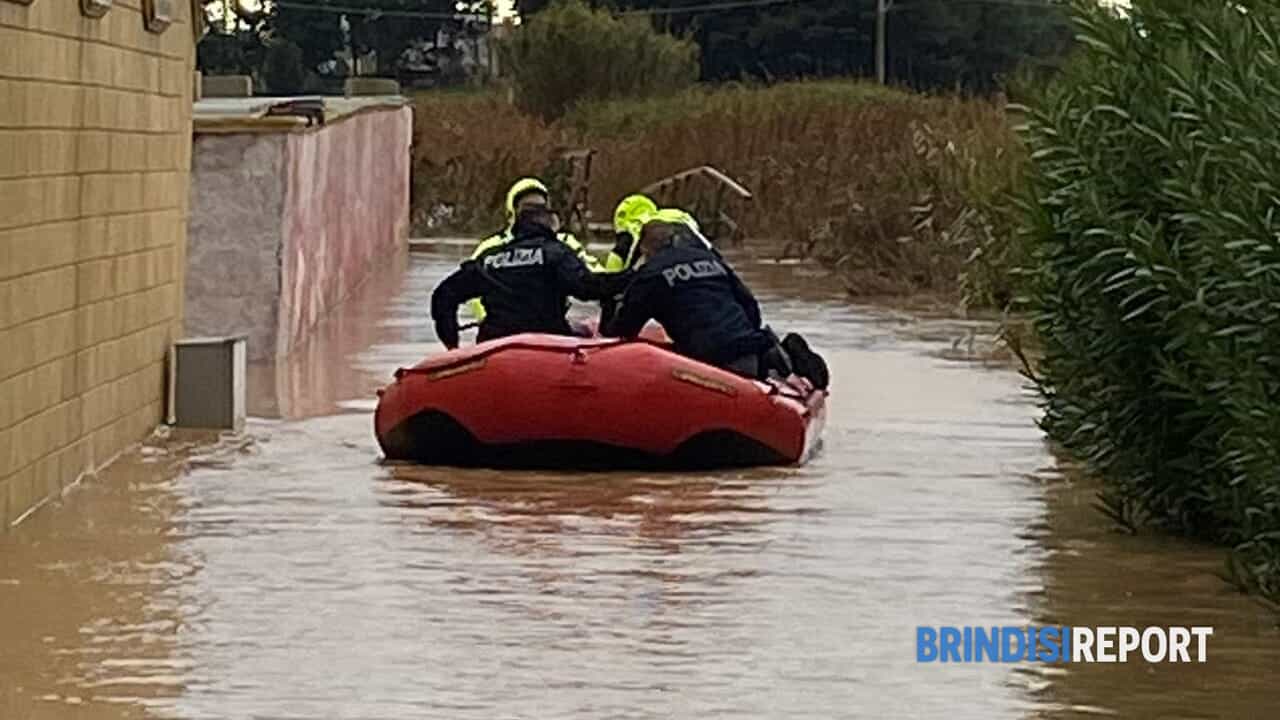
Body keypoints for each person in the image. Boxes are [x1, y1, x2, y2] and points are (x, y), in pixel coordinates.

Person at [601, 216, 829, 389]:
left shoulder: (649, 276)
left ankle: (769, 357)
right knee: (745, 351)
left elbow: (624, 331)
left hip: (710, 359)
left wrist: (608, 306)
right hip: (747, 344)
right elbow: (749, 304)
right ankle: (777, 352)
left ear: (645, 249)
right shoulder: (710, 260)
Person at [432, 205, 624, 349]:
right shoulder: (556, 253)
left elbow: (443, 295)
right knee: (582, 331)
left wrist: (452, 345)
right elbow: (588, 287)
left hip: (494, 344)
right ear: (549, 227)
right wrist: (631, 278)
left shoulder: (489, 259)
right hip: (549, 343)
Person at [467, 177, 603, 323]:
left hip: (548, 327)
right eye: (529, 207)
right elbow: (471, 290)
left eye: (540, 208)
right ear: (514, 210)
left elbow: (592, 274)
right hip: (502, 329)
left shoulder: (563, 243)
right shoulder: (490, 248)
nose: (535, 213)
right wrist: (486, 318)